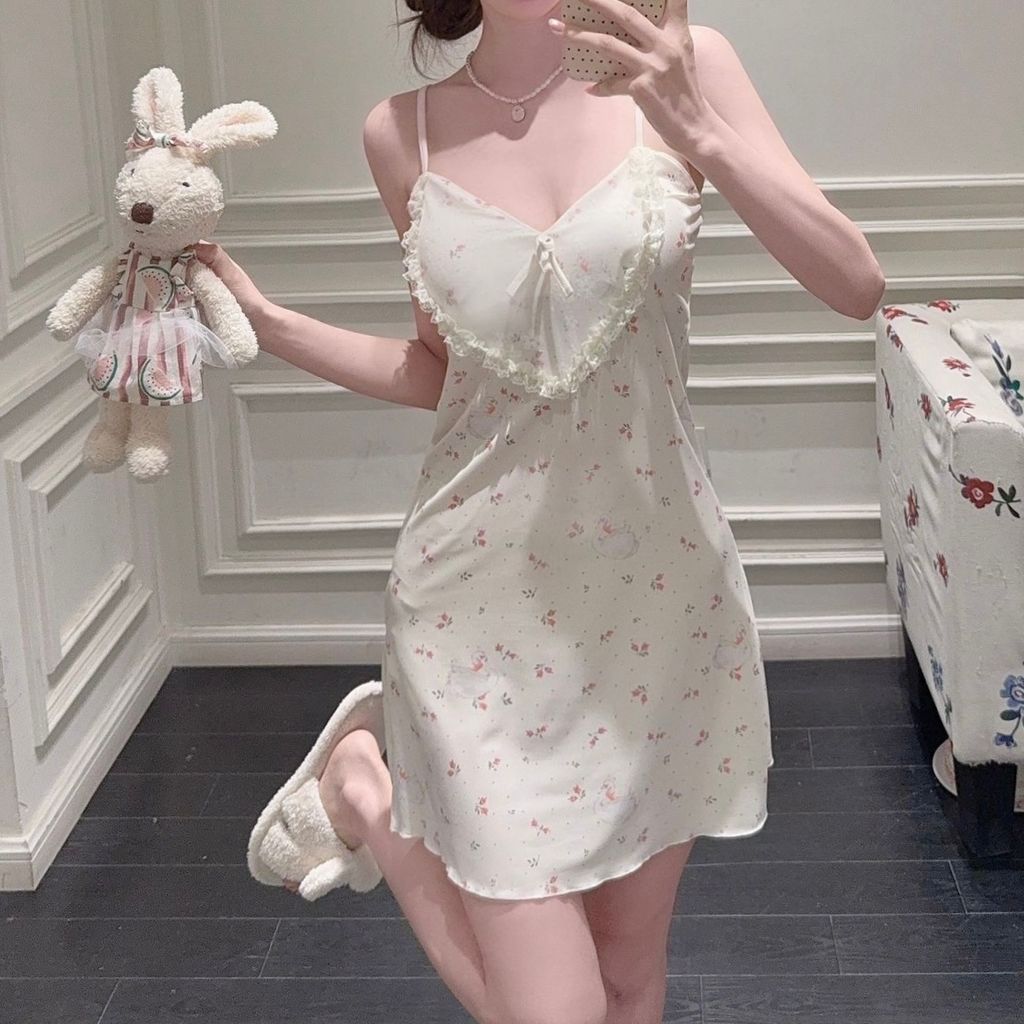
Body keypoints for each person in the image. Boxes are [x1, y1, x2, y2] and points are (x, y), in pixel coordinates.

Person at [198, 2, 885, 1022]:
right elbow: (443, 370)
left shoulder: (685, 68)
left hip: (658, 604)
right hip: (473, 610)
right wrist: (268, 325)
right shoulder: (401, 132)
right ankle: (370, 799)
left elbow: (857, 283)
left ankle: (360, 781)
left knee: (627, 979)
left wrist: (697, 127)